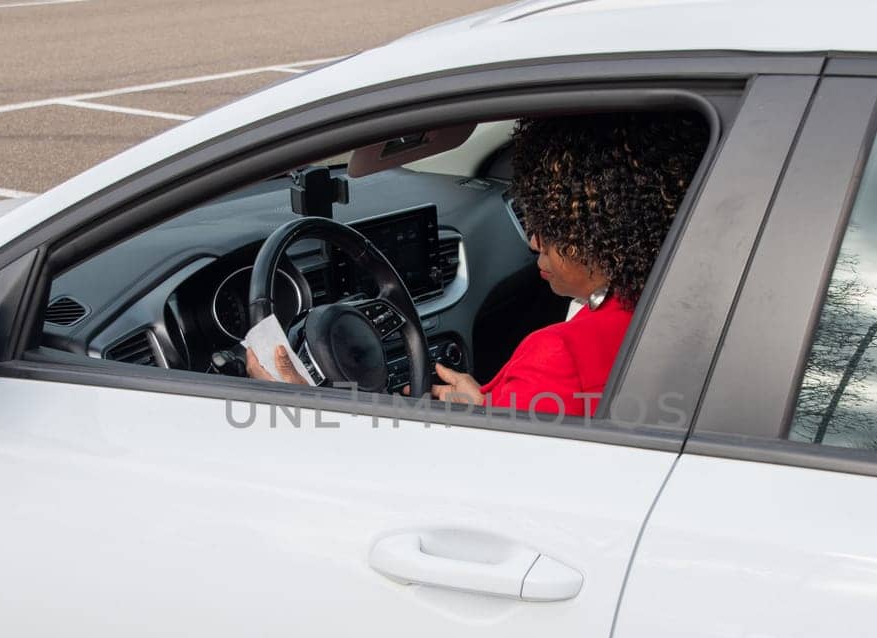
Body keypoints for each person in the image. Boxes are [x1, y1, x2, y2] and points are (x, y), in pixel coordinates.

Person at [248, 112, 707, 416]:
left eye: (550, 227)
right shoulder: (678, 303)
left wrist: (303, 401)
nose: (532, 242)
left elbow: (462, 471)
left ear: (606, 236)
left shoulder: (562, 357)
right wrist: (485, 403)